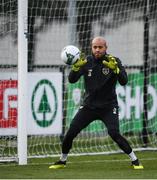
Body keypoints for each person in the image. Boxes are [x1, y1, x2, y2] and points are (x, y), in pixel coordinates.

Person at [49, 36, 144, 170]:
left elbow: (124, 81)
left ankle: (135, 160)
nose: (97, 50)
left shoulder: (114, 61)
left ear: (106, 48)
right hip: (89, 107)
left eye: (100, 47)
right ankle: (62, 160)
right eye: (95, 47)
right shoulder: (85, 61)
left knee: (114, 133)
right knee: (70, 132)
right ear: (91, 48)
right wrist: (76, 68)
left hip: (108, 106)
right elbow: (72, 80)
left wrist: (116, 69)